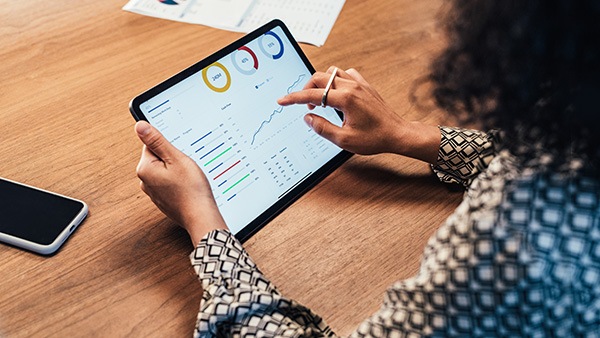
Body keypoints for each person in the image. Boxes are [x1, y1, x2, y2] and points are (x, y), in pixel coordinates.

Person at [135, 0, 600, 336]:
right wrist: (405, 135)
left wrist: (204, 222)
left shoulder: (515, 236)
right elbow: (553, 151)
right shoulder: (577, 144)